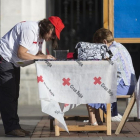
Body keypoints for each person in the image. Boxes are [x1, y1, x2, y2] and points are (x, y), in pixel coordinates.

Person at [0, 16, 65, 137]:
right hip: (4, 58)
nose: (53, 38)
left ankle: (14, 126)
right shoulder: (30, 29)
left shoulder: (40, 35)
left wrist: (46, 57)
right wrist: (42, 57)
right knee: (9, 94)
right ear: (48, 28)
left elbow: (36, 54)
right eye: (53, 34)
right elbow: (22, 53)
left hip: (13, 61)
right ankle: (11, 128)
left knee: (13, 94)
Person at [86, 28, 136, 125]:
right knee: (94, 88)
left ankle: (112, 113)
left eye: (99, 46)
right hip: (128, 84)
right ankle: (98, 120)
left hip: (124, 85)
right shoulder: (119, 46)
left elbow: (102, 60)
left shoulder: (113, 49)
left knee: (91, 89)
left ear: (104, 42)